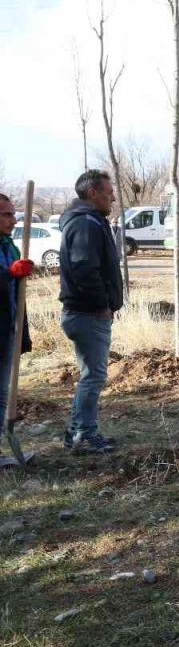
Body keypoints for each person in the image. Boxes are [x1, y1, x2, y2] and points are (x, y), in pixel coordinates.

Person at [58, 169, 124, 453]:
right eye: (109, 192)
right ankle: (84, 434)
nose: (113, 197)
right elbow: (84, 268)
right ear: (93, 193)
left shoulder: (89, 221)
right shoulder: (86, 223)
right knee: (93, 376)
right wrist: (102, 306)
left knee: (90, 374)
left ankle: (76, 430)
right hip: (88, 314)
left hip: (83, 312)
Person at [0, 193, 34, 468]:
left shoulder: (9, 246)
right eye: (6, 215)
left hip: (6, 327)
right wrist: (8, 273)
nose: (13, 220)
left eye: (13, 214)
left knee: (1, 392)